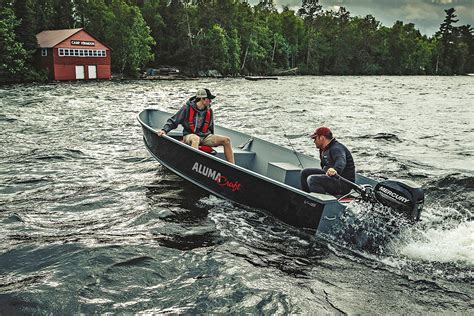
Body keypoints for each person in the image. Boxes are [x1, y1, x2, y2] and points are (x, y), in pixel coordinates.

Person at [157, 88, 235, 164]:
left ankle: (232, 167)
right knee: (195, 139)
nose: (210, 101)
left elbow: (210, 128)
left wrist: (211, 141)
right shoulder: (186, 108)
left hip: (205, 137)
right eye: (209, 99)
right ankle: (194, 164)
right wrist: (164, 130)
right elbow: (173, 121)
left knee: (226, 140)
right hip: (189, 135)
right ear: (202, 99)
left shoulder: (209, 110)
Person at [300, 126, 355, 196]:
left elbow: (341, 160)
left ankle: (320, 202)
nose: (314, 141)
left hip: (343, 183)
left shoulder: (336, 148)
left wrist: (335, 169)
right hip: (332, 177)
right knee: (305, 173)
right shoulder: (324, 149)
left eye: (315, 138)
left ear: (322, 138)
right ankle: (306, 197)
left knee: (313, 179)